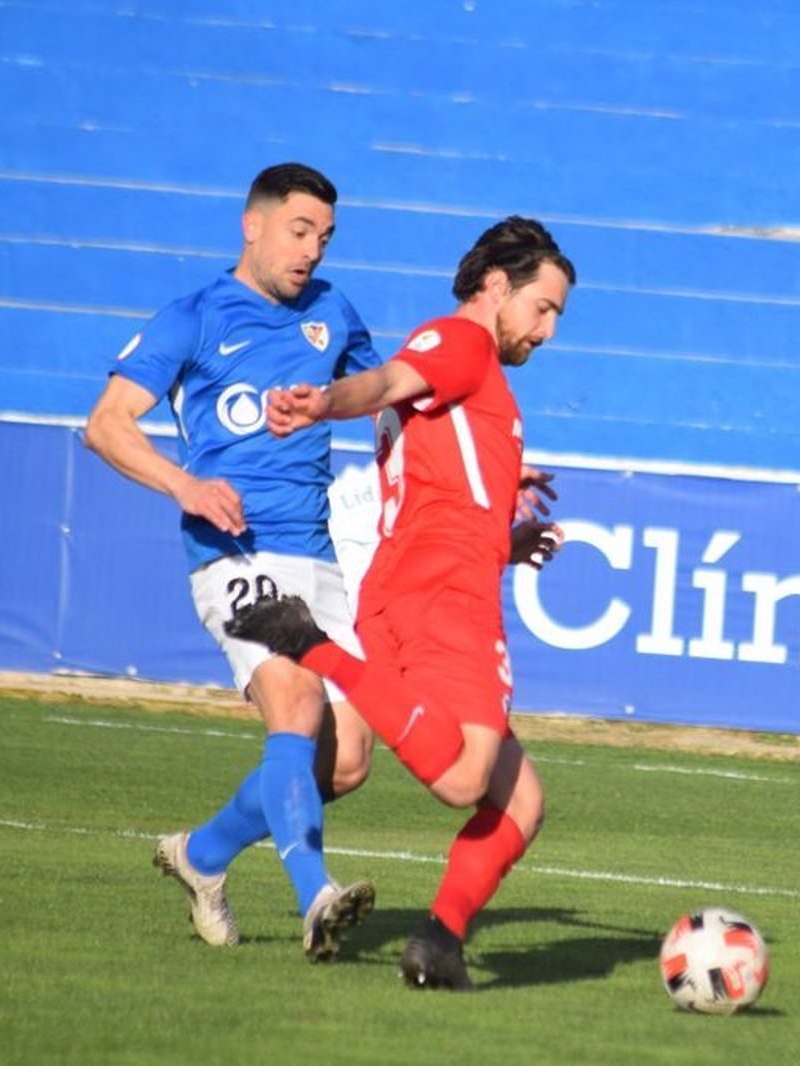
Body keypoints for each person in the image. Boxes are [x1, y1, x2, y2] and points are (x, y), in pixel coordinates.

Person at [224, 215, 575, 990]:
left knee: (520, 803)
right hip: (441, 594)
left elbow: (430, 472)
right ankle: (310, 645)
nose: (548, 331)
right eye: (543, 308)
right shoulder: (463, 342)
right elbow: (382, 383)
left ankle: (439, 943)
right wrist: (324, 403)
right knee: (461, 780)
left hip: (424, 582)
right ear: (495, 287)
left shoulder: (478, 379)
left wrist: (505, 541)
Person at [82, 162, 381, 960]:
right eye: (299, 230)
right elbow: (106, 424)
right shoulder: (194, 317)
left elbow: (384, 395)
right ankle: (315, 896)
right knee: (296, 702)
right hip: (235, 553)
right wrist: (186, 484)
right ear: (252, 225)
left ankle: (202, 856)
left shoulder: (332, 313)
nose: (312, 250)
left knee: (346, 761)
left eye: (324, 236)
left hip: (317, 556)